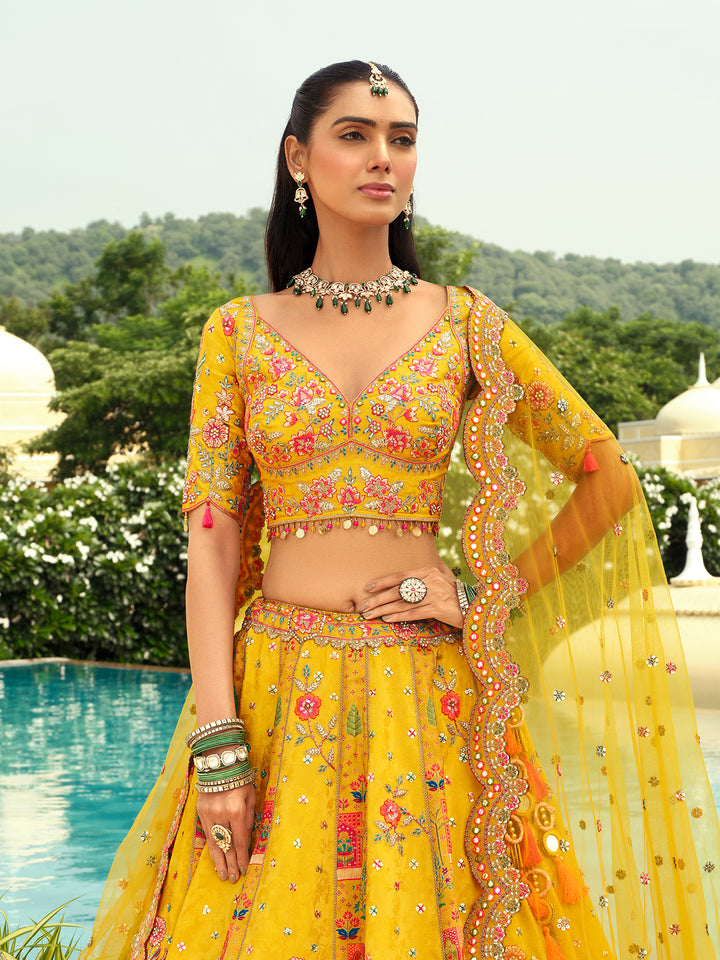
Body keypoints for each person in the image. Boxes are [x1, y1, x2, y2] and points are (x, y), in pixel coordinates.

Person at [80, 61, 720, 960]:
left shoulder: (465, 324)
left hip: (429, 699)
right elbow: (213, 547)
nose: (384, 157)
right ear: (298, 159)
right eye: (356, 135)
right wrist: (219, 745)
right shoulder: (238, 333)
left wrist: (487, 594)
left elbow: (606, 478)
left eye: (403, 139)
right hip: (273, 702)